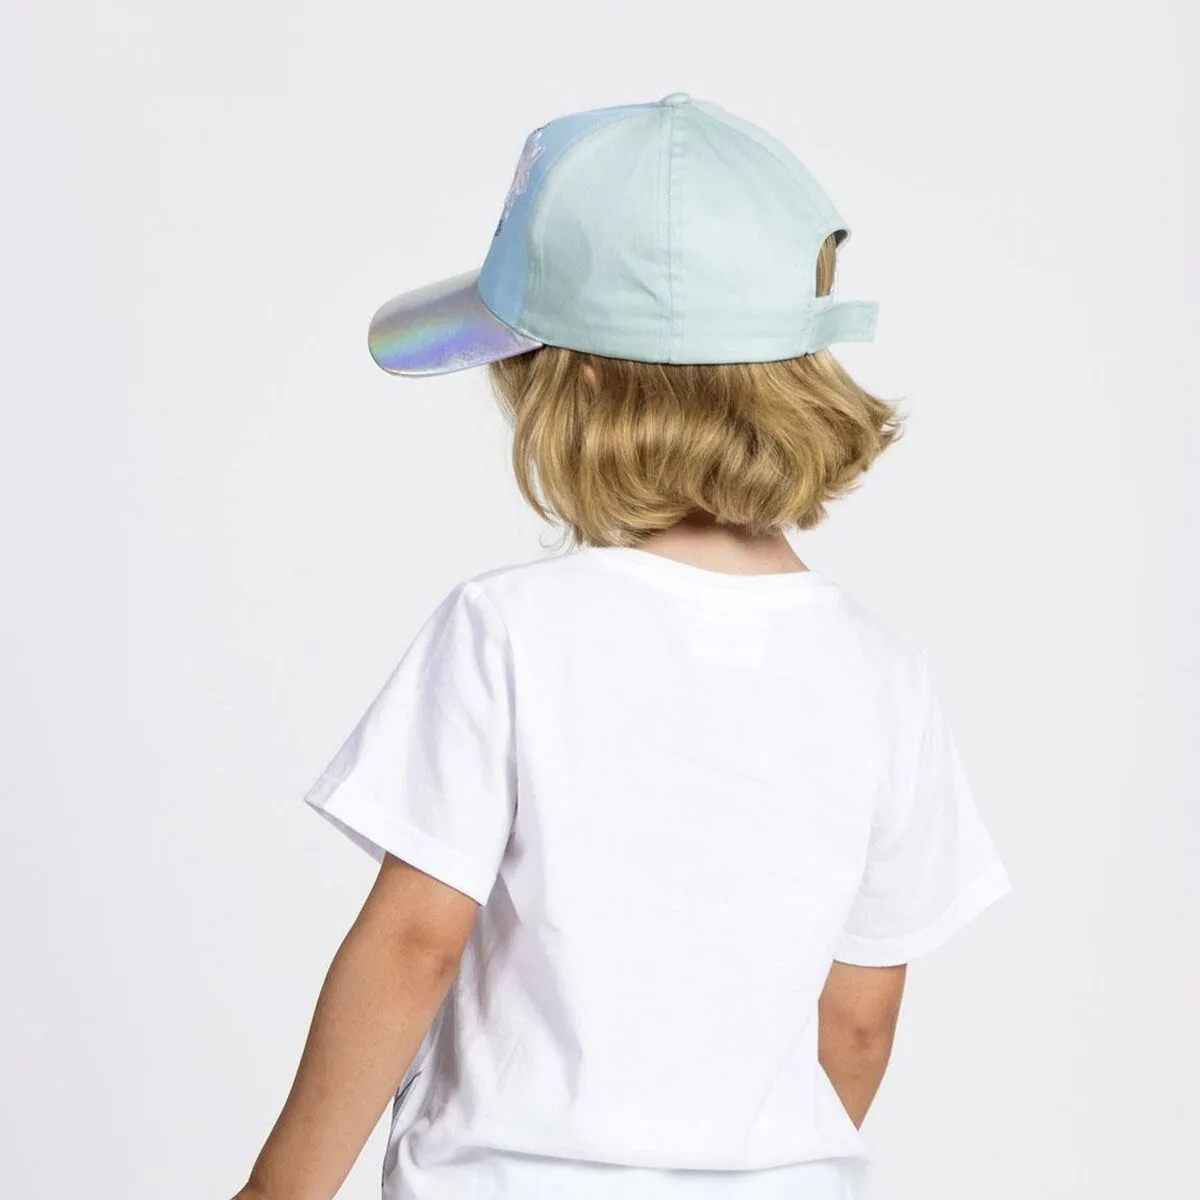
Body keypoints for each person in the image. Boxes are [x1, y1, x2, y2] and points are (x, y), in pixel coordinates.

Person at [231, 93, 1012, 1200]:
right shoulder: (883, 673)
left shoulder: (507, 629)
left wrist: (280, 1192)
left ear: (579, 384)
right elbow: (859, 1021)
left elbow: (415, 946)